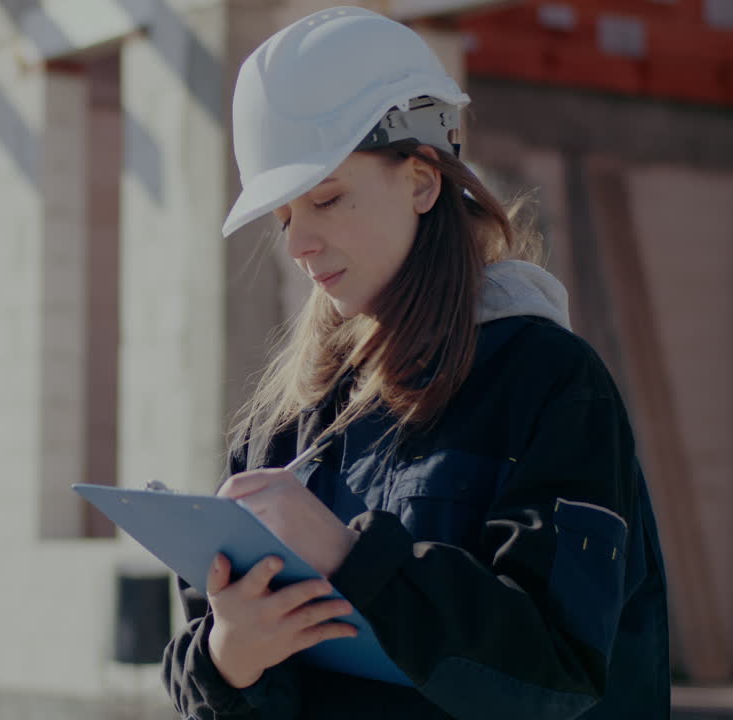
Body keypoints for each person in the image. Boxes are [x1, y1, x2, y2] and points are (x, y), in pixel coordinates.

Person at [161, 7, 669, 719]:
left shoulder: (551, 385)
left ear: (422, 181)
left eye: (327, 199)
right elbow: (212, 663)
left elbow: (559, 671)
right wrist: (229, 661)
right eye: (284, 218)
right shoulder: (288, 425)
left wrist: (351, 558)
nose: (298, 242)